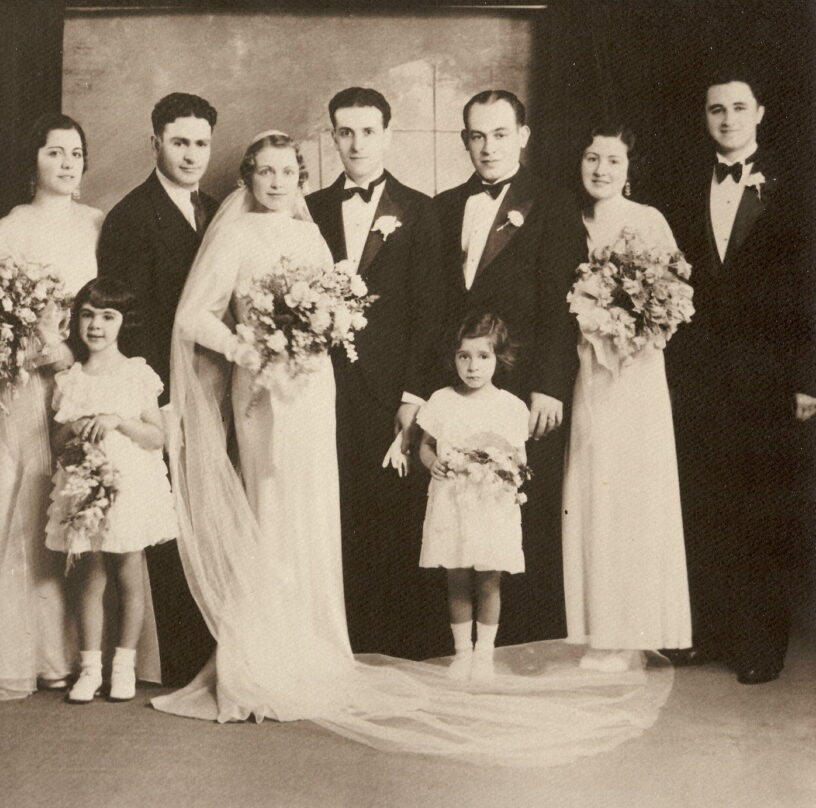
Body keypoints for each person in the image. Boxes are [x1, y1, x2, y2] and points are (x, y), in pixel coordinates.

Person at [151, 131, 673, 766]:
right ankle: (259, 660)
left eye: (289, 171)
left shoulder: (308, 230)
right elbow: (191, 318)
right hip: (263, 392)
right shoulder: (235, 234)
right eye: (265, 172)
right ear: (249, 179)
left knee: (313, 516)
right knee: (273, 509)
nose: (278, 182)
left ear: (298, 175)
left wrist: (328, 326)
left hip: (312, 393)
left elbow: (341, 306)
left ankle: (314, 653)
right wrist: (248, 348)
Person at [667, 70, 815, 684]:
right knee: (704, 503)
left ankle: (760, 644)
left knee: (762, 510)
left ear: (759, 113)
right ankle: (710, 634)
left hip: (769, 377)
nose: (726, 119)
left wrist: (808, 377)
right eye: (715, 110)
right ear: (704, 118)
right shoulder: (682, 187)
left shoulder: (795, 187)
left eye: (737, 108)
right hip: (700, 375)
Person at [0, 113, 107, 701]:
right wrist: (32, 346)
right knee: (31, 503)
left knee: (89, 498)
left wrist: (79, 351)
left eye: (76, 153)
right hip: (29, 386)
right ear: (33, 163)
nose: (67, 164)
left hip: (84, 379)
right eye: (54, 153)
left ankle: (89, 650)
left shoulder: (99, 224)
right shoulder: (9, 230)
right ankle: (42, 650)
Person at [434, 90, 577, 645]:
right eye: (476, 135)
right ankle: (456, 643)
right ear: (465, 139)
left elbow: (562, 302)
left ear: (522, 135)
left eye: (499, 134)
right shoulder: (445, 206)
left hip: (521, 388)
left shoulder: (552, 202)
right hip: (459, 382)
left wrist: (549, 385)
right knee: (457, 510)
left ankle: (521, 640)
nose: (487, 147)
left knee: (515, 511)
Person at [305, 87, 445, 659]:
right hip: (319, 388)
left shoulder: (420, 209)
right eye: (345, 131)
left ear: (387, 135)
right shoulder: (308, 208)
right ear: (333, 136)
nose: (357, 143)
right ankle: (338, 640)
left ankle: (393, 641)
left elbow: (431, 308)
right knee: (328, 509)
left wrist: (413, 395)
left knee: (390, 513)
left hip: (391, 392)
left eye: (367, 131)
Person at [561, 124, 692, 673]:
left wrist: (626, 328)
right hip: (588, 371)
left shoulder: (648, 221)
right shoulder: (569, 221)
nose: (601, 169)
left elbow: (673, 301)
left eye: (612, 160)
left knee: (633, 493)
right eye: (592, 157)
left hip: (634, 376)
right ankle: (597, 630)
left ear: (629, 169)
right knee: (592, 490)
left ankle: (633, 630)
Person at [98, 92, 218, 685]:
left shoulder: (220, 210)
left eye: (200, 143)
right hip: (161, 393)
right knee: (169, 515)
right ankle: (176, 656)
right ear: (155, 144)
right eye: (179, 142)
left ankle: (212, 640)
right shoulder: (129, 217)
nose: (191, 155)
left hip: (216, 389)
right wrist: (160, 399)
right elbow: (130, 319)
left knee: (210, 507)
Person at [45, 278, 175, 703]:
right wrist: (75, 426)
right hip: (85, 486)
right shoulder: (70, 378)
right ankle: (89, 669)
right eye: (87, 315)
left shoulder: (136, 373)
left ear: (123, 322)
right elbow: (56, 445)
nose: (95, 326)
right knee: (90, 573)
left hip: (130, 484)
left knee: (128, 571)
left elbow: (157, 438)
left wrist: (117, 420)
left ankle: (124, 666)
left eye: (107, 317)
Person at [417, 313, 529, 681]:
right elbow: (425, 446)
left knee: (489, 578)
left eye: (483, 357)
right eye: (464, 356)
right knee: (457, 577)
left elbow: (519, 459)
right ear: (453, 359)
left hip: (490, 505)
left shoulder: (511, 406)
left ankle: (485, 654)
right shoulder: (442, 400)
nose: (473, 366)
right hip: (452, 502)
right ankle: (461, 653)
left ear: (499, 359)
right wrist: (432, 462)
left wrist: (508, 472)